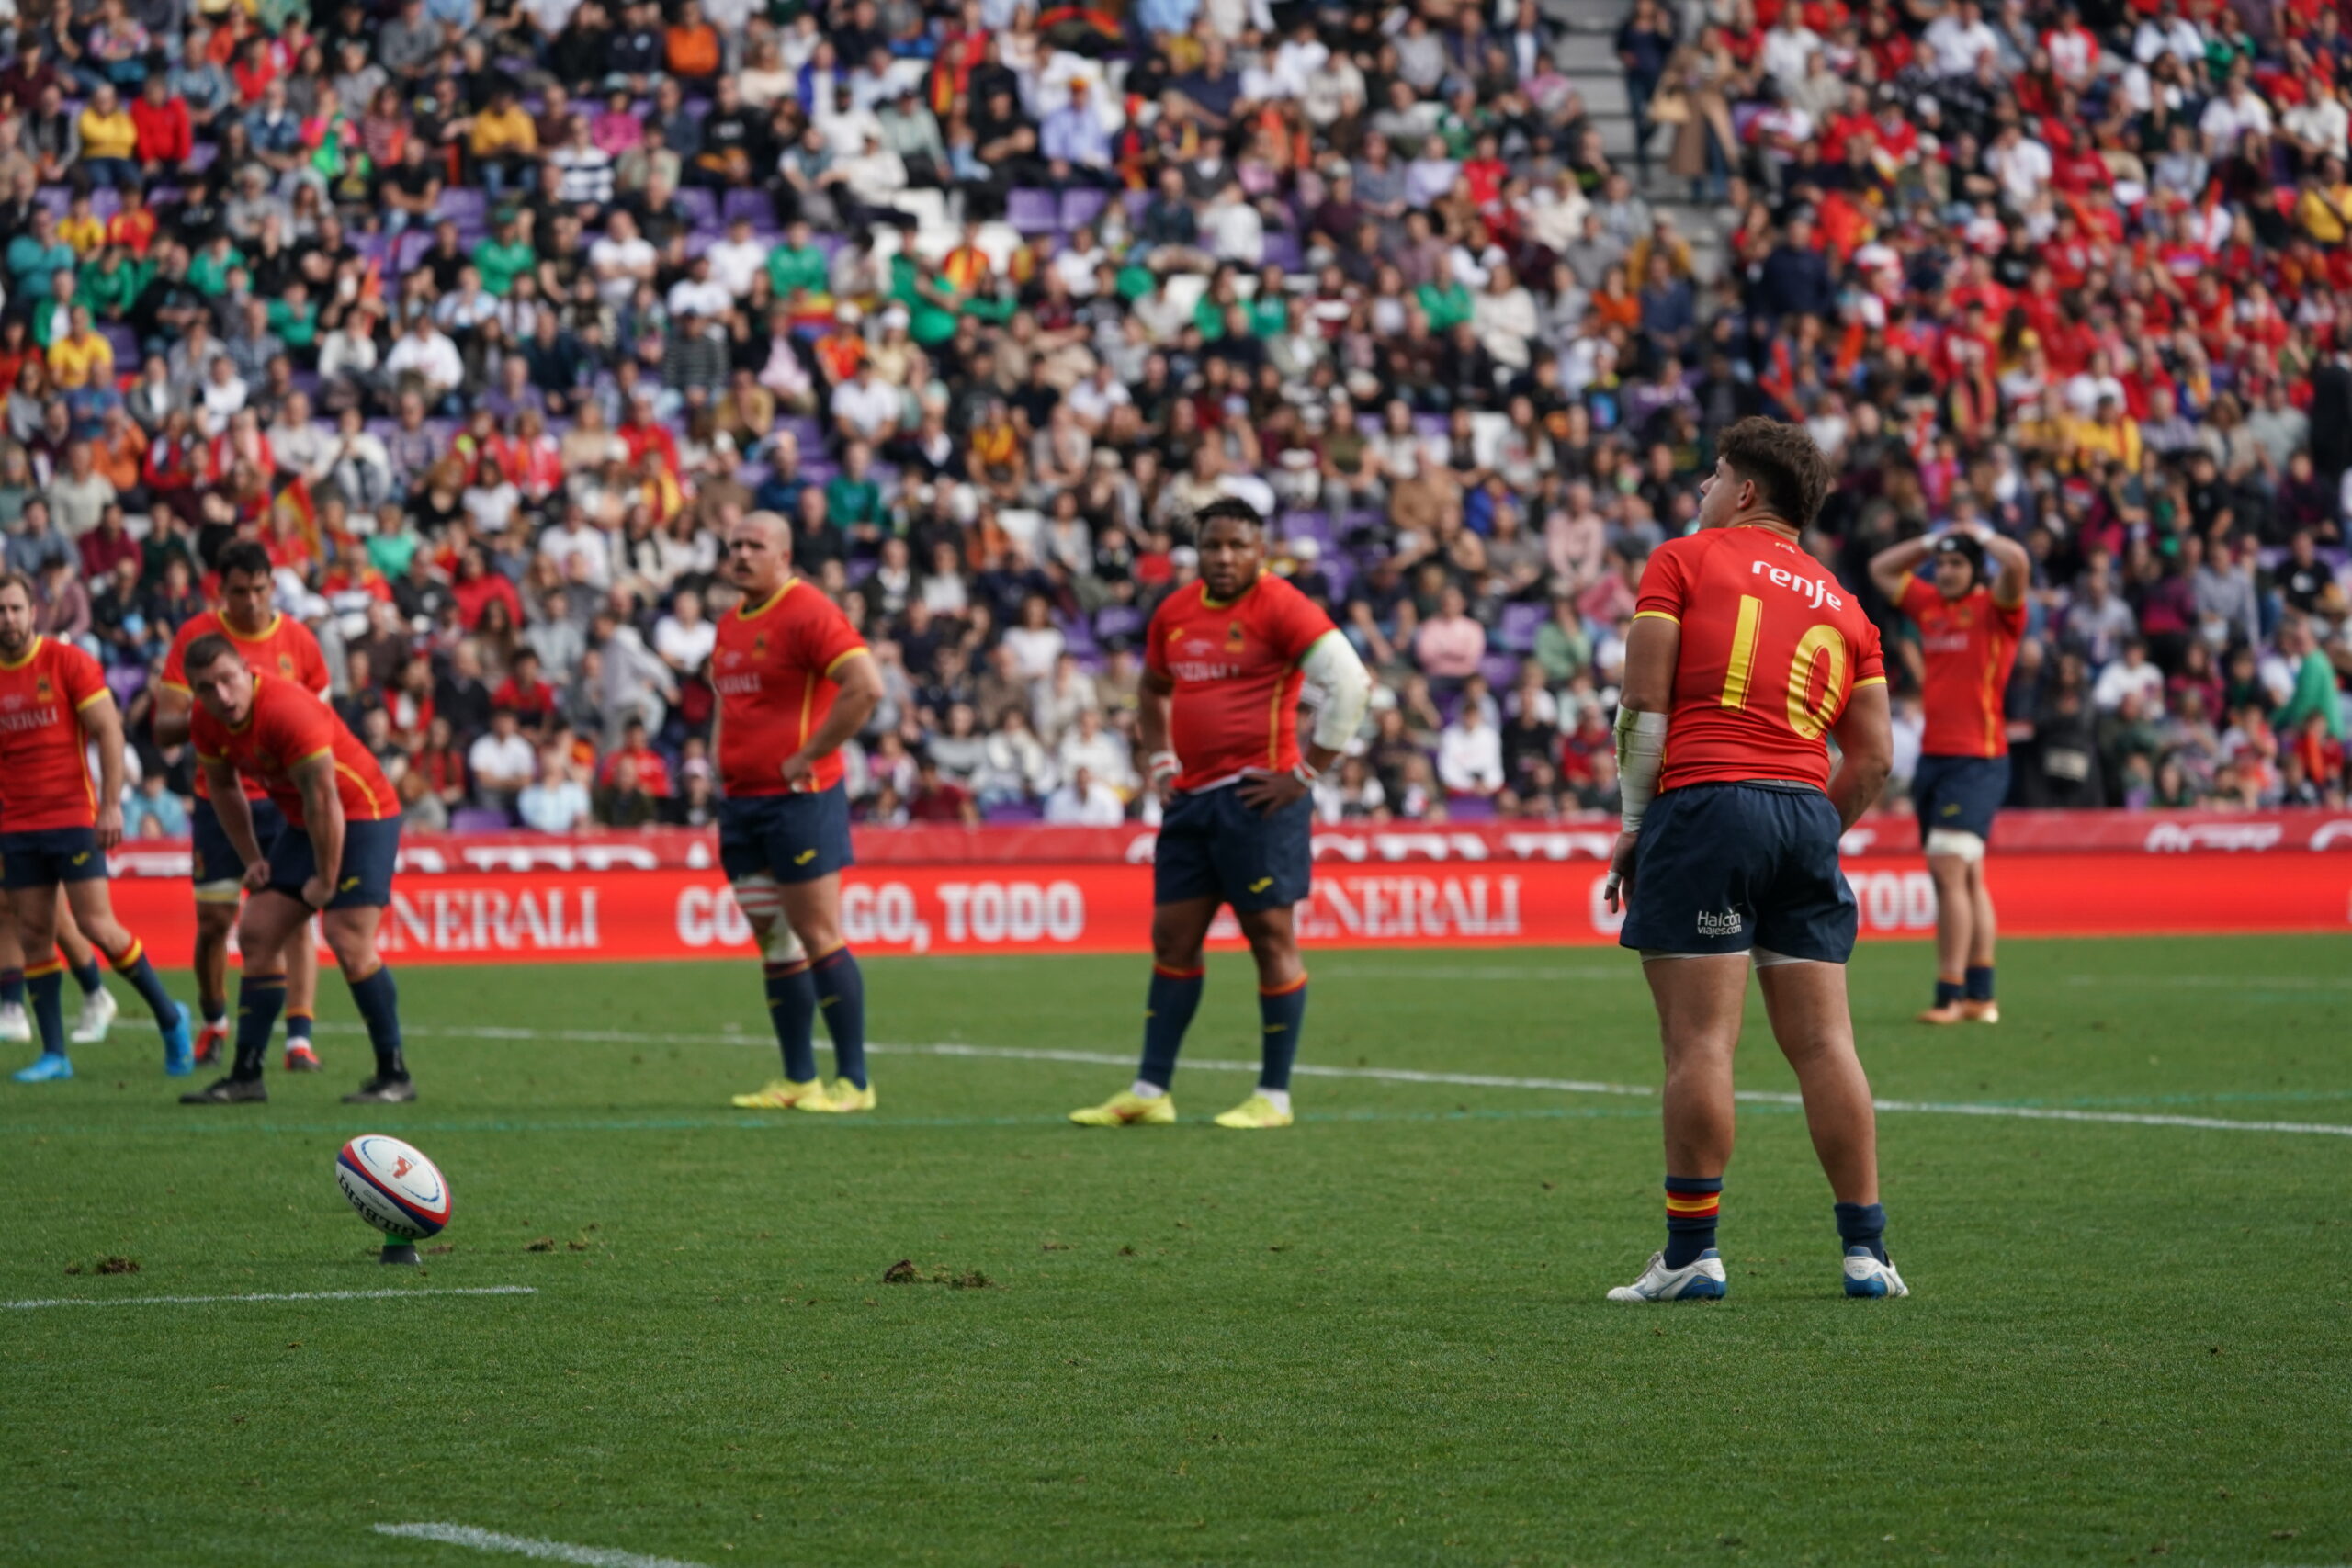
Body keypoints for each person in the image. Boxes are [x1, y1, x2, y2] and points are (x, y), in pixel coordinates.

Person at [1602, 419, 1904, 1303]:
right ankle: (1868, 1253)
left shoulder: (1684, 561)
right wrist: (1810, 826)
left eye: (1713, 475)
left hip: (1706, 802)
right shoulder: (1848, 606)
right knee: (1824, 1041)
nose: (1701, 488)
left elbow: (1642, 705)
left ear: (1744, 492)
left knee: (1700, 1041)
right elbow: (1875, 757)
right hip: (1805, 813)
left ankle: (1693, 1252)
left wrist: (1633, 823)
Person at [1069, 499, 1371, 1132]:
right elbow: (1152, 689)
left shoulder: (1281, 604)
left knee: (1270, 940)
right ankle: (1151, 1090)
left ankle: (1274, 1096)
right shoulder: (1175, 612)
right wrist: (1157, 762)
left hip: (1259, 801)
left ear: (1259, 548)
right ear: (1196, 550)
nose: (1225, 556)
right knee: (1171, 939)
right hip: (1190, 801)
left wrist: (1306, 772)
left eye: (1238, 544)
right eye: (1213, 545)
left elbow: (1350, 682)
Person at [177, 636, 412, 1106]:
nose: (221, 695)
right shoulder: (206, 721)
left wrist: (326, 881)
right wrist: (252, 860)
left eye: (227, 679)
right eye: (206, 687)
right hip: (307, 820)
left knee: (347, 936)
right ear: (196, 693)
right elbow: (222, 788)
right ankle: (246, 1076)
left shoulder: (286, 709)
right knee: (259, 933)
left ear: (246, 669)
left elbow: (326, 799)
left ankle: (394, 1074)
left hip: (362, 812)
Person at [713, 511, 887, 1114]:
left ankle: (855, 1082)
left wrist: (809, 754)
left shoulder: (807, 609)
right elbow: (729, 709)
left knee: (817, 932)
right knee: (774, 938)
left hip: (800, 798)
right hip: (740, 802)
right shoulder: (730, 623)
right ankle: (798, 1078)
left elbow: (866, 684)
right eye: (733, 543)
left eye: (754, 544)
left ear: (783, 555)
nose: (740, 553)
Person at [0, 572, 193, 1081]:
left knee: (97, 927)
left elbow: (109, 730)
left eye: (15, 608)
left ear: (33, 611)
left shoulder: (66, 662)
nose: (8, 619)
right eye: (1, 611)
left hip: (70, 817)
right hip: (16, 825)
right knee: (36, 934)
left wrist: (110, 805)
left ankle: (171, 1019)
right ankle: (55, 1055)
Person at [152, 542, 329, 1072]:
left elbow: (322, 722)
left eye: (259, 589)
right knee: (214, 921)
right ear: (219, 590)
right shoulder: (196, 637)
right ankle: (213, 1022)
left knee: (295, 919)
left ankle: (299, 1038)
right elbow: (163, 727)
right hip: (219, 796)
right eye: (238, 591)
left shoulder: (298, 640)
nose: (250, 602)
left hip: (285, 800)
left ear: (272, 585)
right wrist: (223, 712)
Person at [1867, 525, 2029, 1025]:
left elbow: (2018, 563)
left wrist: (1982, 534)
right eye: (1944, 563)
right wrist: (1932, 539)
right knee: (1965, 876)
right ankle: (1982, 996)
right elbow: (1881, 569)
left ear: (1976, 569)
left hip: (1976, 759)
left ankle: (1949, 995)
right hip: (1937, 758)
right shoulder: (1931, 605)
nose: (1948, 570)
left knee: (1947, 871)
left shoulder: (1997, 609)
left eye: (1959, 563)